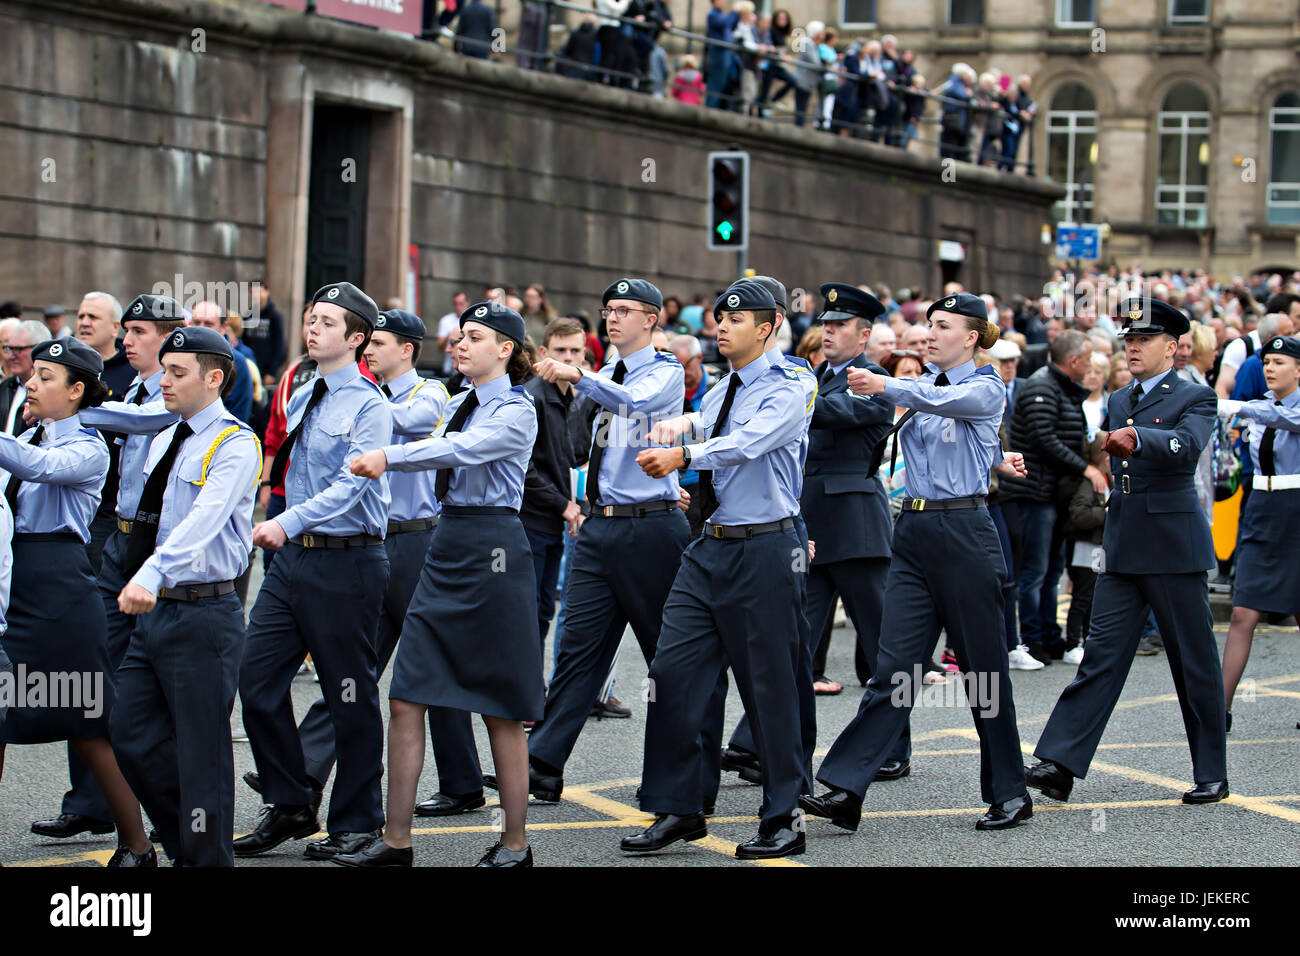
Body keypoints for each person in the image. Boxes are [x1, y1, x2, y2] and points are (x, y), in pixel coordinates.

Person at [801, 292, 1033, 833]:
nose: (929, 333)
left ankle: (1010, 791)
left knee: (984, 675)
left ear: (972, 337)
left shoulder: (985, 383)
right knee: (894, 668)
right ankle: (847, 787)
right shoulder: (932, 390)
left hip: (965, 532)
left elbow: (958, 408)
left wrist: (887, 384)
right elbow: (956, 433)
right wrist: (997, 455)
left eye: (944, 325)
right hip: (915, 530)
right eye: (928, 324)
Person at [337, 300, 541, 867]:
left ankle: (515, 844)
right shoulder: (454, 402)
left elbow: (460, 449)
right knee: (406, 697)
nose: (460, 343)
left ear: (505, 349)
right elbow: (411, 425)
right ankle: (395, 841)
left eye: (474, 336)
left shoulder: (517, 410)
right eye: (459, 335)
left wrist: (389, 457)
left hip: (494, 547)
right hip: (447, 543)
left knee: (500, 705)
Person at [625, 280, 808, 858]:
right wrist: (685, 431)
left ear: (770, 325)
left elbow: (752, 441)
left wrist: (684, 452)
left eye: (737, 318)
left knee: (768, 686)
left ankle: (784, 815)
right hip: (710, 546)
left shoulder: (794, 383)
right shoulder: (720, 388)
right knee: (673, 673)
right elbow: (715, 430)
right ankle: (680, 807)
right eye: (718, 318)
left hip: (766, 547)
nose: (722, 327)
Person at [1026, 298, 1229, 806]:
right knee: (1101, 657)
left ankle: (1212, 771)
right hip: (1124, 544)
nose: (1133, 347)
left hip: (1173, 546)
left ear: (1174, 348)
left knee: (1194, 662)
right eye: (1129, 340)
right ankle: (1060, 762)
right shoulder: (1118, 399)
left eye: (1143, 340)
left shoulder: (1194, 398)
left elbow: (1186, 445)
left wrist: (1139, 438)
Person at [514, 278, 688, 803]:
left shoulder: (665, 371)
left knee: (671, 658)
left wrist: (579, 376)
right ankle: (540, 765)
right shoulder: (604, 374)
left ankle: (680, 779)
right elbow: (572, 449)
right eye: (608, 310)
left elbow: (634, 402)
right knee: (577, 652)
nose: (613, 319)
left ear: (651, 320)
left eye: (626, 311)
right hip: (599, 523)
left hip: (650, 525)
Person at [235, 281, 393, 859]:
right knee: (255, 679)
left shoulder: (370, 405)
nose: (312, 328)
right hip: (294, 558)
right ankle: (292, 802)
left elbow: (355, 486)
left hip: (347, 561)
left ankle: (359, 821)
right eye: (310, 318)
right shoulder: (305, 392)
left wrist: (286, 519)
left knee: (348, 693)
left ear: (356, 338)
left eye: (327, 322)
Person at [104, 326, 259, 867]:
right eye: (163, 370)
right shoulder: (171, 435)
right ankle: (186, 845)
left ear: (213, 378)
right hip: (156, 610)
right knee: (129, 733)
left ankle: (205, 859)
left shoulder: (234, 442)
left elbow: (204, 522)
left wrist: (150, 572)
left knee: (203, 755)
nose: (164, 381)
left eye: (177, 372)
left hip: (202, 610)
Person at [33, 294, 185, 842]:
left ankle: (176, 809)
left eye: (139, 331)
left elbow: (146, 425)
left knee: (156, 677)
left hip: (161, 545)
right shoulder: (127, 392)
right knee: (97, 669)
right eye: (125, 330)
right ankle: (94, 802)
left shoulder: (172, 399)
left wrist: (73, 407)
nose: (126, 339)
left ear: (170, 338)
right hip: (117, 538)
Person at [0, 337, 154, 866]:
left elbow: (36, 468)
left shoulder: (87, 446)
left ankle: (137, 845)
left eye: (46, 377)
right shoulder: (27, 433)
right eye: (32, 374)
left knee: (87, 727)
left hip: (60, 591)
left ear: (77, 390)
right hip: (15, 580)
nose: (31, 384)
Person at [800, 284, 907, 775]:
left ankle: (895, 747)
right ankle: (761, 744)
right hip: (815, 522)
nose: (829, 332)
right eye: (826, 324)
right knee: (796, 639)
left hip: (857, 524)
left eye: (840, 325)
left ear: (863, 336)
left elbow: (833, 413)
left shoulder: (874, 380)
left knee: (882, 645)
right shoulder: (814, 377)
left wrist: (788, 397)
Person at [998, 330, 1101, 664]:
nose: (1090, 365)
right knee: (1035, 571)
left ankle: (1048, 633)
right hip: (1034, 493)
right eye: (1087, 358)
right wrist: (1085, 469)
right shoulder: (1042, 387)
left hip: (1053, 493)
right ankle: (1030, 639)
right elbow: (1046, 440)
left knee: (1053, 569)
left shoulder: (1058, 386)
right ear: (1073, 361)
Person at [1217, 335, 1300, 732]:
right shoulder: (1261, 408)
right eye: (1267, 360)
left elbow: (1283, 419)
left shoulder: (1279, 410)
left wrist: (1236, 406)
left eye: (1280, 362)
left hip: (1296, 510)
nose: (1270, 368)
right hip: (1261, 509)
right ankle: (1219, 709)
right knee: (1241, 611)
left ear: (1299, 370)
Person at [521, 318, 586, 663]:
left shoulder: (570, 398)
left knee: (544, 608)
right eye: (560, 351)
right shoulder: (533, 398)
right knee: (527, 614)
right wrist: (563, 503)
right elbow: (523, 467)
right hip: (530, 521)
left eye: (575, 351)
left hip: (553, 522)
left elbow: (572, 458)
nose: (567, 358)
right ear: (544, 353)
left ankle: (533, 694)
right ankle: (524, 700)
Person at [1, 320, 51, 436]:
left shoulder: (53, 394)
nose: (11, 356)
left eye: (18, 349)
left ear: (39, 349)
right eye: (9, 348)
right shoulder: (5, 387)